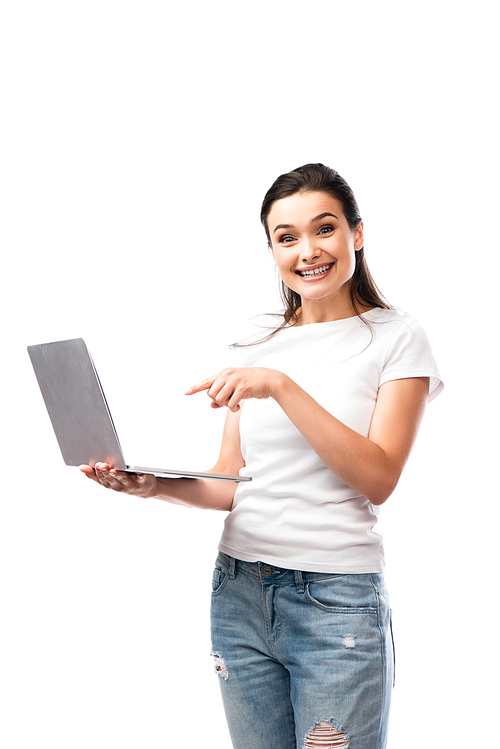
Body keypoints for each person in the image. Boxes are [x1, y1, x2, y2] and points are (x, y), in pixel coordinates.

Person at [81, 163, 443, 749]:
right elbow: (232, 481)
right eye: (286, 237)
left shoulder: (397, 336)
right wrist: (150, 485)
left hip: (336, 604)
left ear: (355, 232)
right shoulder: (255, 339)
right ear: (272, 247)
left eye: (324, 229)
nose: (307, 251)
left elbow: (378, 477)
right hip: (239, 592)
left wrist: (280, 386)